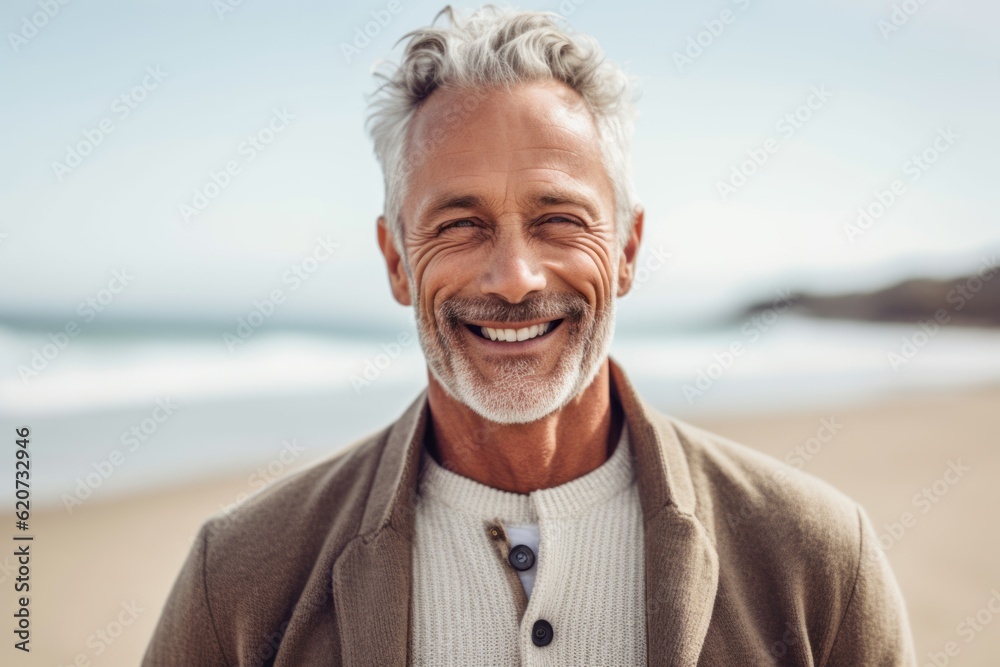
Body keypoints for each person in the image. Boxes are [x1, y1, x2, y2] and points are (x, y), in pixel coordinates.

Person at [144, 6, 917, 665]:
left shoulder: (818, 560)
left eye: (558, 219)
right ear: (395, 261)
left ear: (626, 252)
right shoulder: (240, 580)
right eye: (459, 224)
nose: (514, 277)